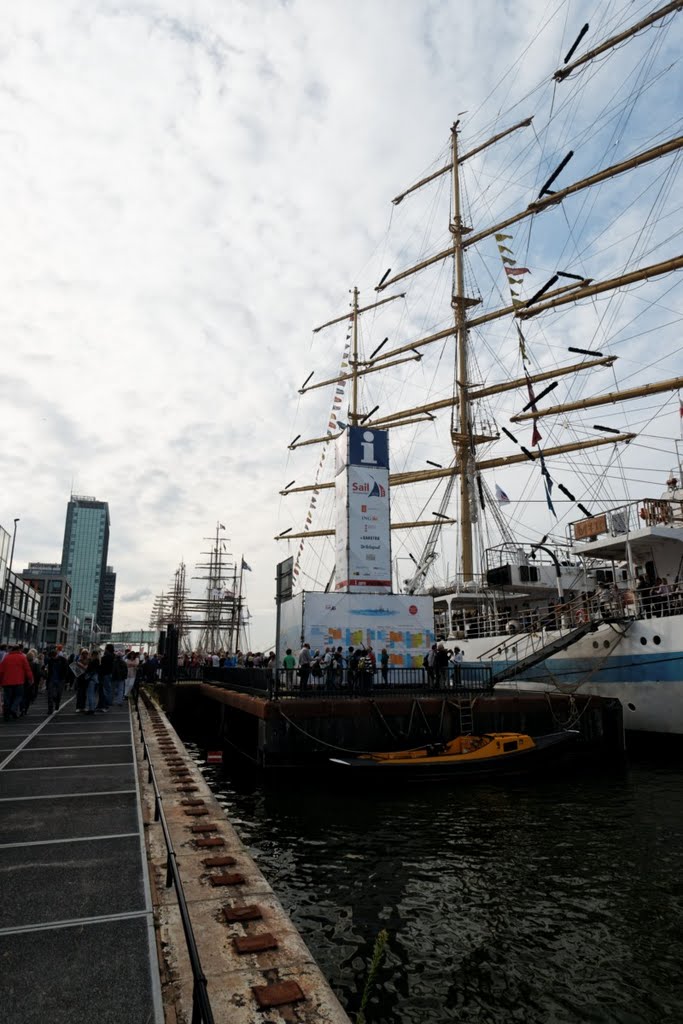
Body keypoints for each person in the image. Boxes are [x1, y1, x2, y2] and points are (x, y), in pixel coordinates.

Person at [0, 645, 34, 720]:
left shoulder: (6, 658)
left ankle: (6, 715)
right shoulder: (22, 657)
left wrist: (1, 681)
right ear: (19, 650)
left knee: (7, 698)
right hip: (19, 682)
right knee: (19, 696)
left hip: (7, 682)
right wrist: (30, 679)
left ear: (12, 649)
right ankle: (13, 708)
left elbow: (1, 671)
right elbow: (27, 669)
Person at [44, 647, 69, 715]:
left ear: (56, 655)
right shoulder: (50, 660)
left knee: (58, 694)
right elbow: (48, 669)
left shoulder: (63, 660)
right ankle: (50, 709)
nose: (52, 658)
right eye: (51, 657)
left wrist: (65, 679)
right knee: (50, 695)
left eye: (53, 657)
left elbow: (66, 670)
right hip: (52, 679)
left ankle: (57, 702)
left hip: (60, 679)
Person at [85, 649, 102, 714]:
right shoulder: (98, 661)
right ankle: (92, 708)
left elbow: (89, 670)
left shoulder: (93, 662)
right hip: (96, 679)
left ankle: (91, 709)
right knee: (93, 694)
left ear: (93, 655)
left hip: (91, 679)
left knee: (90, 694)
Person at [99, 643, 115, 710]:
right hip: (111, 674)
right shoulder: (113, 656)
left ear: (107, 649)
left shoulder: (105, 657)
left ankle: (106, 703)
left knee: (105, 689)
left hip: (105, 674)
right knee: (110, 689)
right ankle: (109, 702)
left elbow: (102, 666)